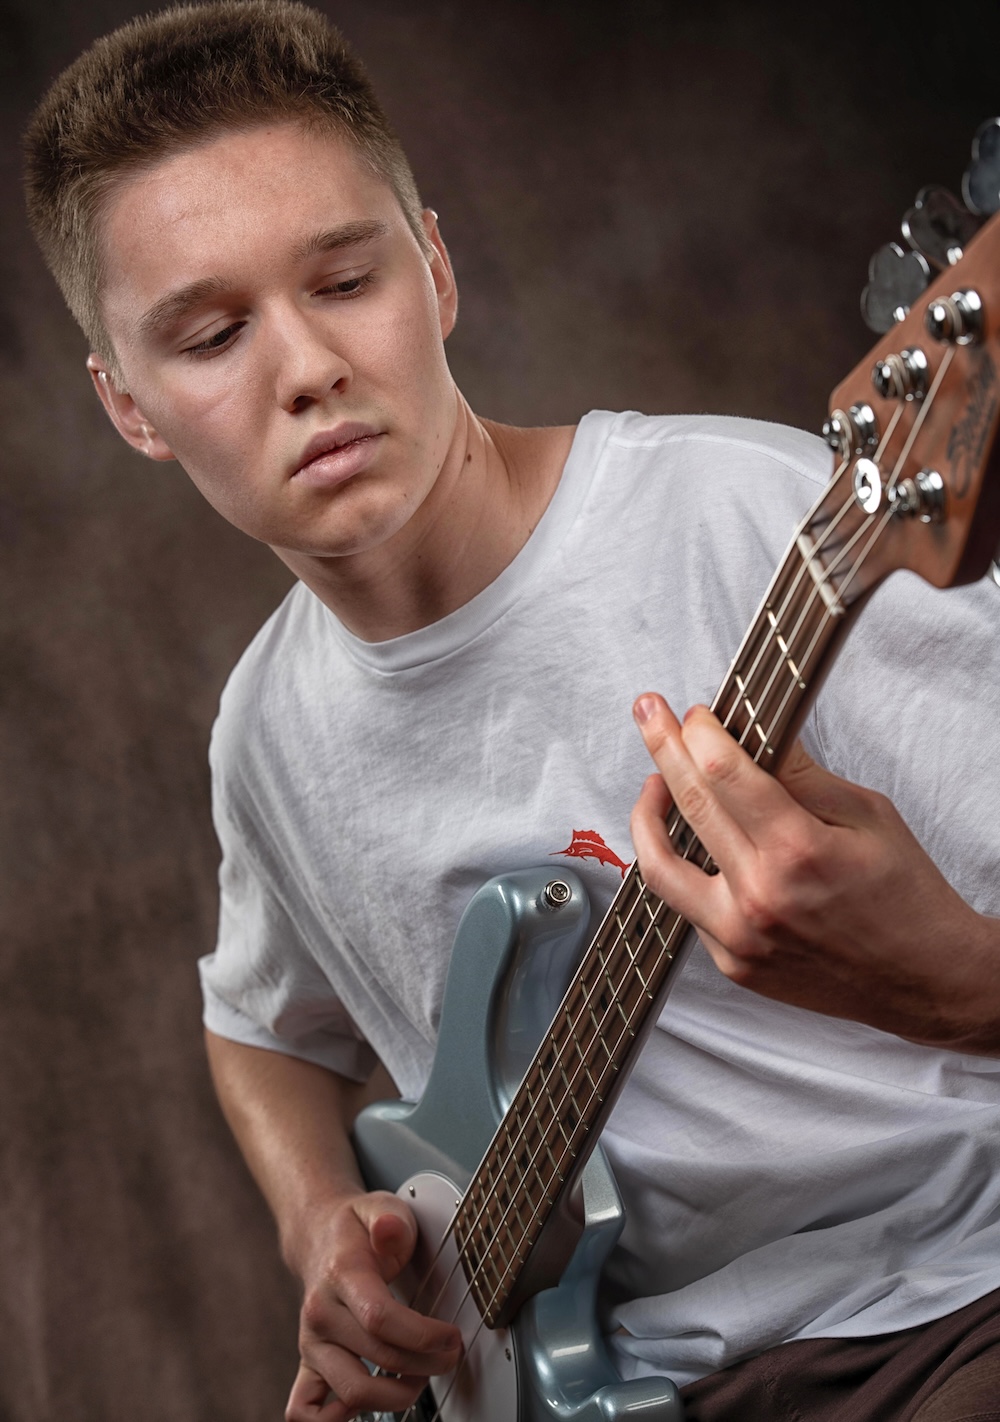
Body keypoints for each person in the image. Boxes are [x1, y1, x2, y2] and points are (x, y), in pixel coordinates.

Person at [22, 4, 1000, 1419]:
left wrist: (954, 982)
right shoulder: (267, 734)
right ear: (131, 409)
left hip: (941, 1306)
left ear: (435, 269)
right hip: (613, 1380)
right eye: (215, 334)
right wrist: (319, 1228)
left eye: (345, 280)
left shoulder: (765, 524)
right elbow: (257, 1029)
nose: (306, 368)